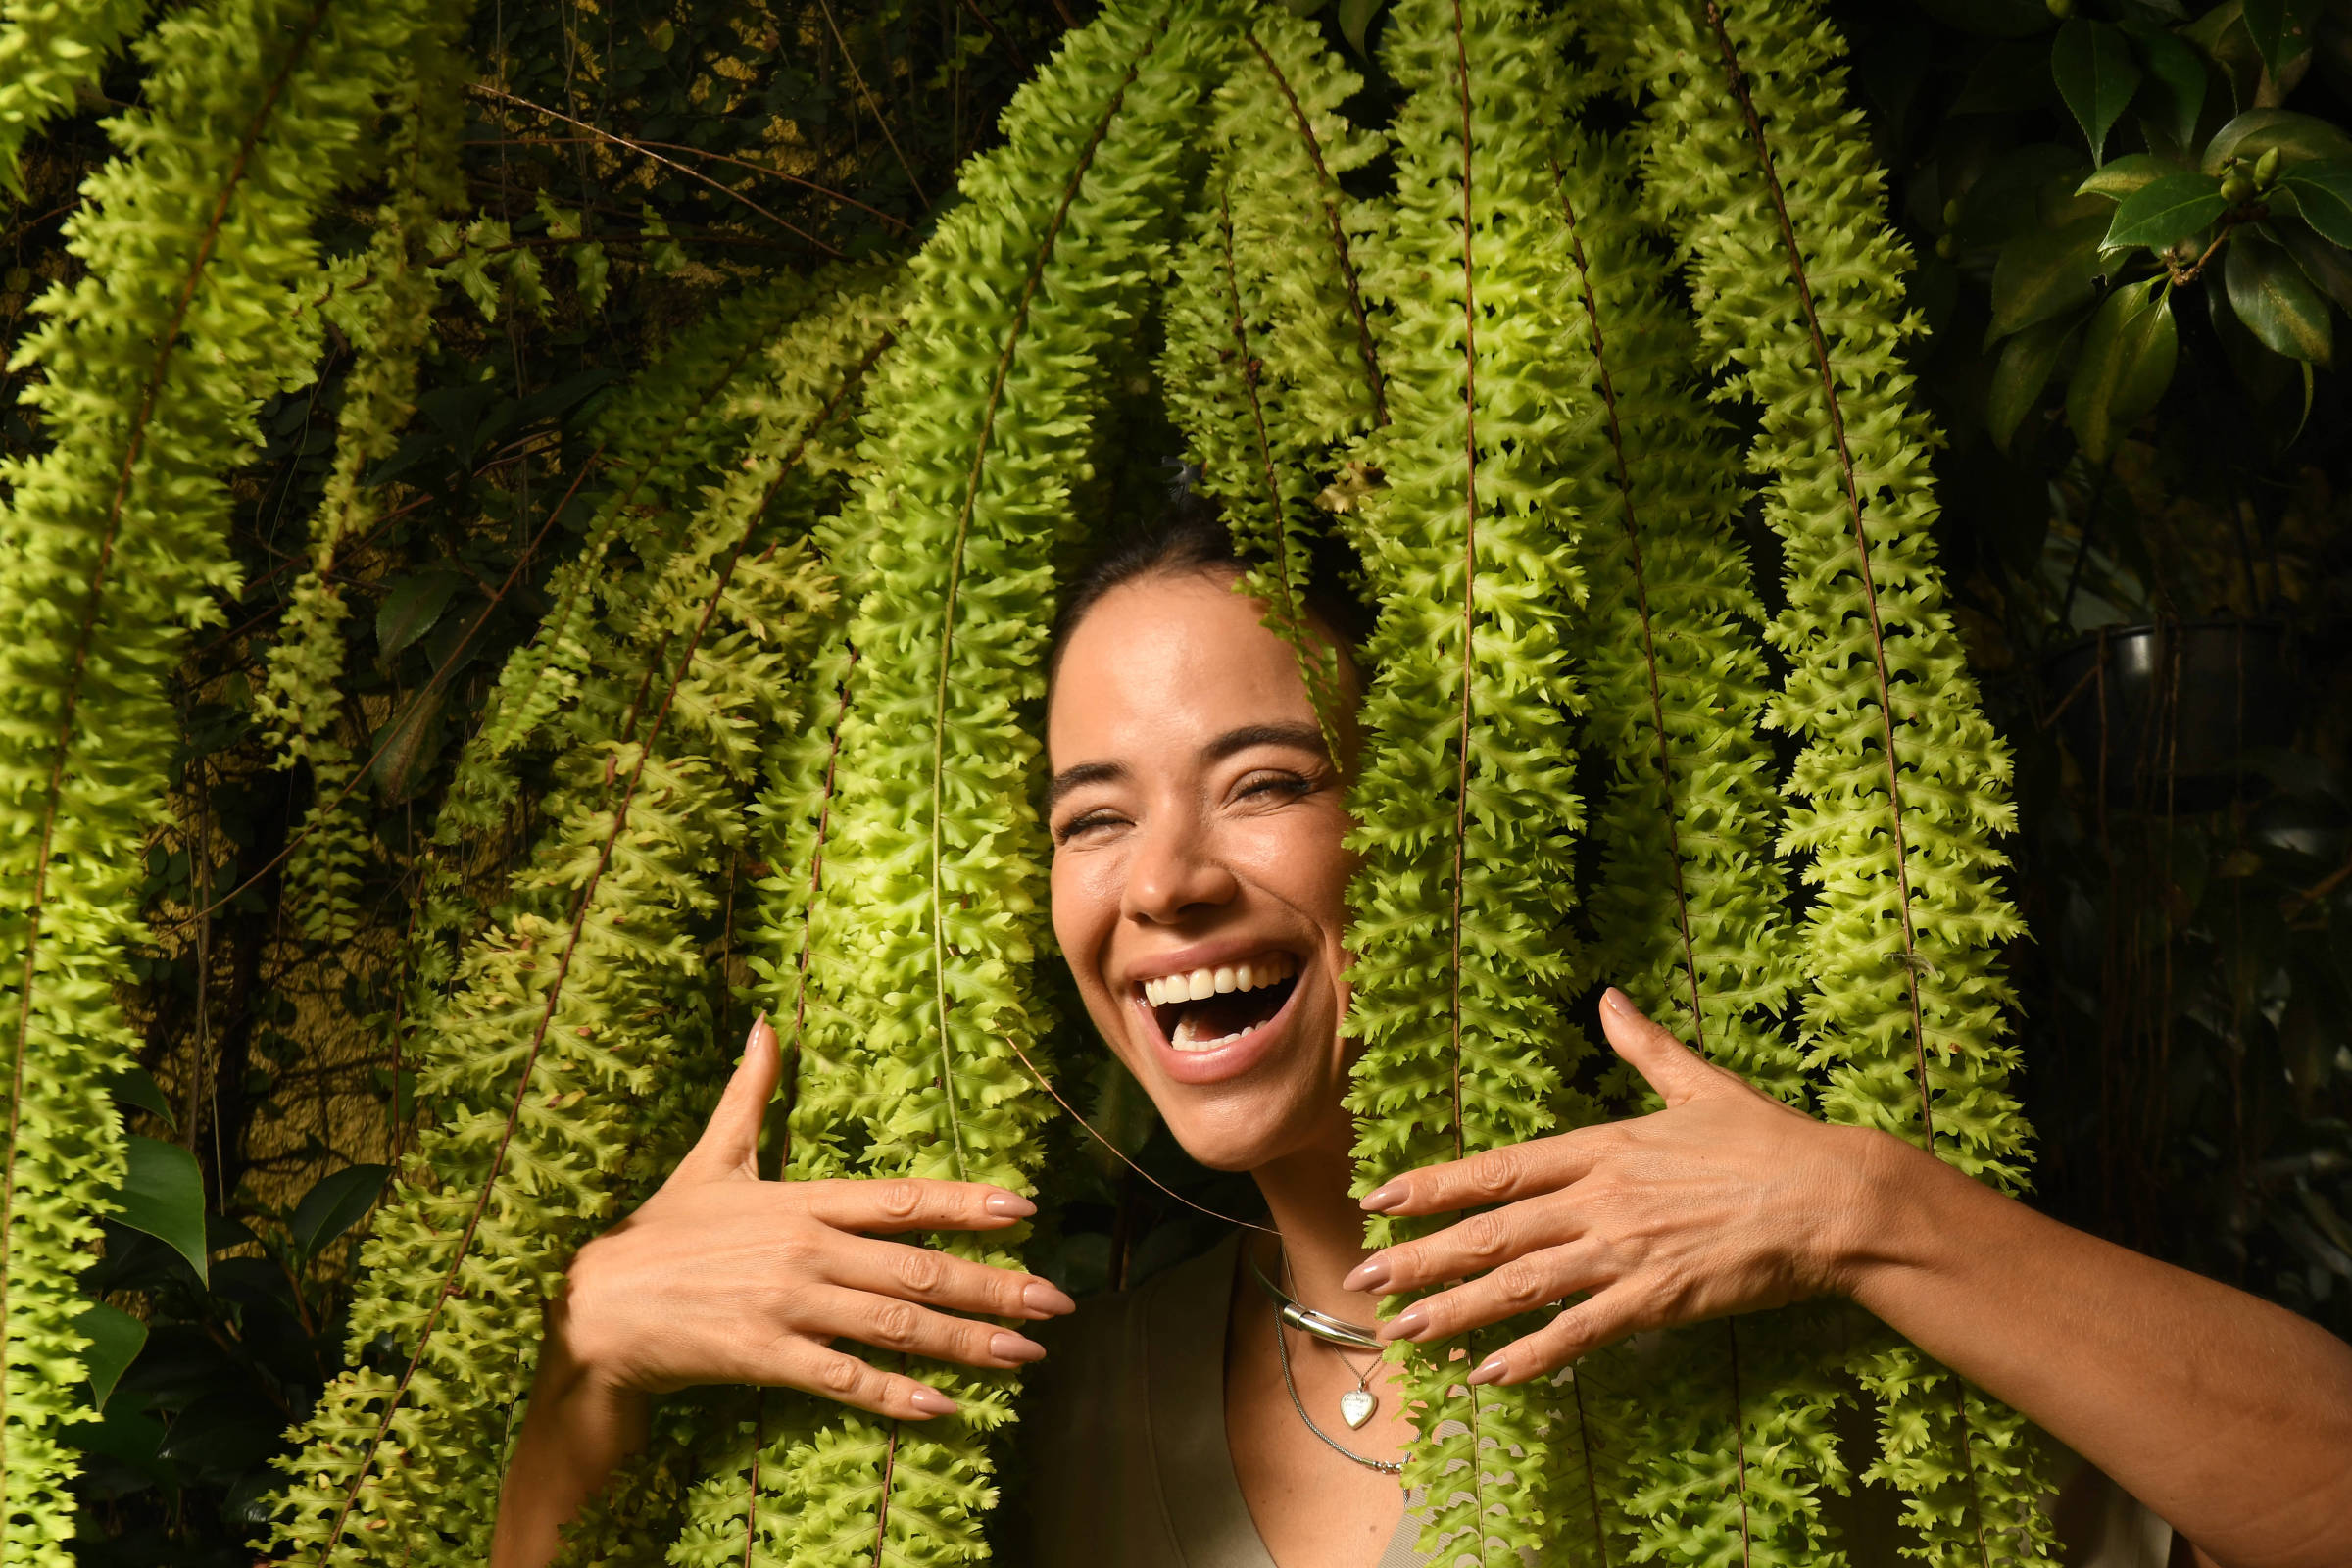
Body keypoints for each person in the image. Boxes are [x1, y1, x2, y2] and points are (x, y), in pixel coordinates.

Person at [492, 514, 2352, 1568]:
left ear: (1461, 830)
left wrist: (1874, 1212)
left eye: (1268, 782)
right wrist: (593, 1366)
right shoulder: (1019, 1414)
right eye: (1090, 815)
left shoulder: (1781, 1372)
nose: (1168, 885)